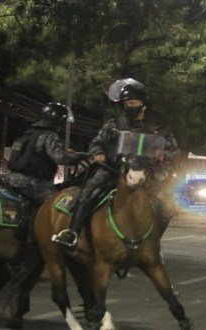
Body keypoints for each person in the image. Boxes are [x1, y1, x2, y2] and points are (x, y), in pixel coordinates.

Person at [52, 78, 150, 247]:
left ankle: (150, 243)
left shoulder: (147, 131)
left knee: (160, 202)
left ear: (143, 105)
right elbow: (96, 143)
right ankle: (72, 232)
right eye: (127, 103)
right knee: (88, 192)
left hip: (136, 173)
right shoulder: (113, 125)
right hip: (109, 170)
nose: (130, 106)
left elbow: (153, 154)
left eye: (134, 102)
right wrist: (98, 153)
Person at [3, 103, 85, 233]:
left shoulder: (27, 135)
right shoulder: (50, 136)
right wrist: (82, 156)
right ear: (59, 122)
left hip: (10, 179)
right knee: (59, 207)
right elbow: (61, 158)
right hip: (33, 183)